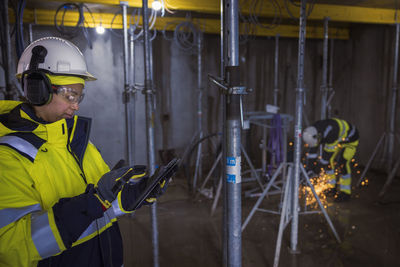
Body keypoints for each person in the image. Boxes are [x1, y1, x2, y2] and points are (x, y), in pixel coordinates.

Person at [0, 37, 169, 266]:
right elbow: (11, 246)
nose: (76, 105)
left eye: (80, 96)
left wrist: (131, 196)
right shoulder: (9, 157)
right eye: (70, 96)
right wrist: (91, 203)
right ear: (37, 89)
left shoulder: (77, 140)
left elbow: (102, 204)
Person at [302, 118, 359, 202]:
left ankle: (345, 193)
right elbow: (312, 152)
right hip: (338, 138)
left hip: (350, 139)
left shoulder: (331, 133)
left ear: (318, 136)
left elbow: (326, 158)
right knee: (329, 163)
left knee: (342, 163)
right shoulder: (313, 131)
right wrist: (309, 168)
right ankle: (331, 187)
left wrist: (317, 170)